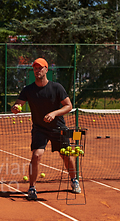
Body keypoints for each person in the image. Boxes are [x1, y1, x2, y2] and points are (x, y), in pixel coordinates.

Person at [11, 58, 81, 200]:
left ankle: (74, 180)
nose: (38, 70)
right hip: (39, 128)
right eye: (35, 68)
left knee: (66, 156)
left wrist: (54, 113)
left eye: (41, 68)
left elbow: (68, 106)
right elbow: (17, 104)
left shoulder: (56, 88)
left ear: (46, 70)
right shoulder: (28, 90)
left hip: (58, 127)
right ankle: (32, 188)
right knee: (36, 155)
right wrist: (15, 108)